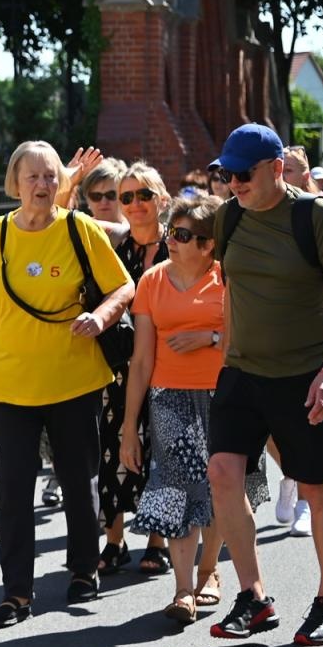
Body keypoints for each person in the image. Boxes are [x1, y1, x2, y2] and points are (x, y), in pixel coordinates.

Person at [0, 141, 134, 627]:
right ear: (15, 183)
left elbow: (123, 286)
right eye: (34, 177)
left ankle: (84, 568)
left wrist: (101, 316)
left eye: (51, 176)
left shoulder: (79, 229)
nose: (44, 185)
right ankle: (17, 593)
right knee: (14, 491)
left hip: (74, 380)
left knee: (78, 480)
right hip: (11, 385)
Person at [205, 123, 323, 644]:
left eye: (243, 174)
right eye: (227, 175)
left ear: (276, 169)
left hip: (305, 375)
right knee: (223, 473)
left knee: (316, 487)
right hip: (241, 372)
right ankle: (253, 597)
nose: (234, 184)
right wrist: (226, 356)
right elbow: (231, 290)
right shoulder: (229, 216)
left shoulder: (316, 217)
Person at [119, 195, 261, 622]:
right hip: (170, 399)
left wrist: (209, 339)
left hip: (226, 395)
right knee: (177, 487)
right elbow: (141, 360)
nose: (172, 241)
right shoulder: (152, 281)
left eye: (182, 235)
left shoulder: (228, 278)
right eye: (171, 232)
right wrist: (129, 426)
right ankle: (183, 591)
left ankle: (208, 570)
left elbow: (247, 341)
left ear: (208, 244)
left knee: (221, 486)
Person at [99, 162, 172, 577]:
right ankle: (114, 540)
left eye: (144, 194)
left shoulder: (179, 244)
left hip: (169, 363)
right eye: (126, 197)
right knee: (112, 447)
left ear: (162, 198)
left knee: (159, 448)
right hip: (118, 367)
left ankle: (157, 541)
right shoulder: (113, 248)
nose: (135, 203)